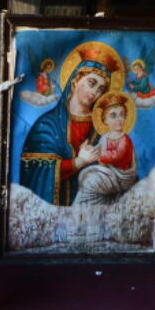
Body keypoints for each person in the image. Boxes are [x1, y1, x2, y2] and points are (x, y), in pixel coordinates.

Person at [19, 43, 121, 206]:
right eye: (92, 83)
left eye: (101, 89)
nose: (96, 92)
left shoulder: (101, 127)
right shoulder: (48, 125)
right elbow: (36, 170)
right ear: (75, 81)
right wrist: (80, 162)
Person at [74, 91, 139, 206]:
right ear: (105, 120)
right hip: (108, 172)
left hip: (121, 176)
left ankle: (80, 209)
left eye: (122, 114)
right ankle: (85, 208)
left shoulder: (125, 140)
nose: (119, 119)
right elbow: (98, 149)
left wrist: (98, 155)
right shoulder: (105, 137)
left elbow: (116, 156)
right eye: (113, 115)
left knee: (90, 182)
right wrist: (88, 149)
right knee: (84, 176)